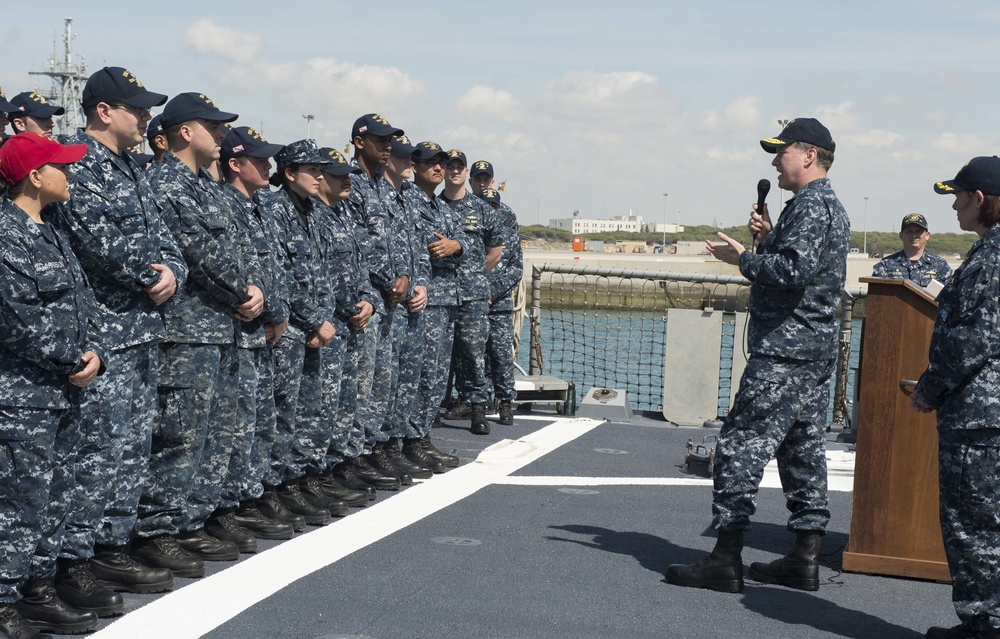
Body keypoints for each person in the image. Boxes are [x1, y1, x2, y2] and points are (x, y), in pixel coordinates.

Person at [665, 118, 850, 593]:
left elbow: (792, 272)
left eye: (781, 151)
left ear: (808, 155)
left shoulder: (811, 206)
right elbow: (800, 266)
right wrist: (767, 239)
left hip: (785, 351)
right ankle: (804, 556)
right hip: (811, 350)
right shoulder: (822, 206)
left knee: (739, 446)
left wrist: (743, 259)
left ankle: (726, 557)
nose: (774, 160)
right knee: (802, 449)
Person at [45, 65, 184, 613]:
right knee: (94, 450)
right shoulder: (77, 161)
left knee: (130, 446)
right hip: (102, 329)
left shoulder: (132, 167)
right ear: (105, 111)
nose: (146, 118)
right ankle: (76, 555)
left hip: (142, 328)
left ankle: (112, 542)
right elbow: (89, 234)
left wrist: (173, 269)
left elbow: (165, 238)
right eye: (137, 109)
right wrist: (151, 275)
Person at [136, 92, 259, 573]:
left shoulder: (204, 187)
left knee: (212, 431)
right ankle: (157, 529)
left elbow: (236, 248)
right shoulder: (170, 186)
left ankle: (193, 518)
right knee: (180, 434)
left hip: (219, 326)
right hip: (186, 333)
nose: (223, 135)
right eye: (214, 126)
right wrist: (243, 289)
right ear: (186, 131)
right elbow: (197, 250)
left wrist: (254, 291)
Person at [0, 132, 105, 638]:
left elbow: (82, 302)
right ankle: (3, 600)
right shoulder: (6, 234)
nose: (71, 174)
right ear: (35, 176)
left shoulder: (50, 228)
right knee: (19, 500)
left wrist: (94, 354)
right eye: (61, 167)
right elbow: (16, 319)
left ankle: (39, 587)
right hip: (23, 396)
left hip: (64, 389)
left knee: (56, 495)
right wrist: (70, 357)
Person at [911, 156, 1000, 639]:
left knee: (974, 527)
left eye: (958, 197)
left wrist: (929, 389)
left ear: (980, 199)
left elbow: (969, 341)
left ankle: (982, 625)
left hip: (979, 419)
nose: (954, 207)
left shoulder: (991, 259)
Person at [217, 126, 298, 544]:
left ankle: (248, 497)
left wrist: (280, 312)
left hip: (266, 329)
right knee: (236, 424)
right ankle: (228, 506)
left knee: (257, 422)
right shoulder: (227, 205)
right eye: (259, 159)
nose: (268, 166)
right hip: (244, 330)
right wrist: (269, 311)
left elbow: (276, 267)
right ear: (235, 164)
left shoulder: (258, 206)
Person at [440, 149, 501, 435]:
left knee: (474, 354)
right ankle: (435, 408)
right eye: (449, 166)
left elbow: (495, 249)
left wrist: (475, 274)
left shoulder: (481, 209)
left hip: (472, 294)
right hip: (439, 294)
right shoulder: (432, 206)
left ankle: (478, 409)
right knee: (439, 356)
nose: (454, 171)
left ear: (466, 173)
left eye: (459, 167)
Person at [471, 160, 523, 426]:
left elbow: (515, 269)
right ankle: (475, 403)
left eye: (485, 180)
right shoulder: (468, 224)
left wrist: (491, 292)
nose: (481, 184)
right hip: (473, 304)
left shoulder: (508, 227)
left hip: (499, 305)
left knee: (502, 356)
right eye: (477, 180)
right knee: (472, 357)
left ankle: (505, 403)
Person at [872, 213, 952, 286]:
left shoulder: (940, 266)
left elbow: (949, 297)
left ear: (927, 235)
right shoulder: (885, 265)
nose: (913, 235)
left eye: (918, 231)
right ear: (901, 235)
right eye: (909, 232)